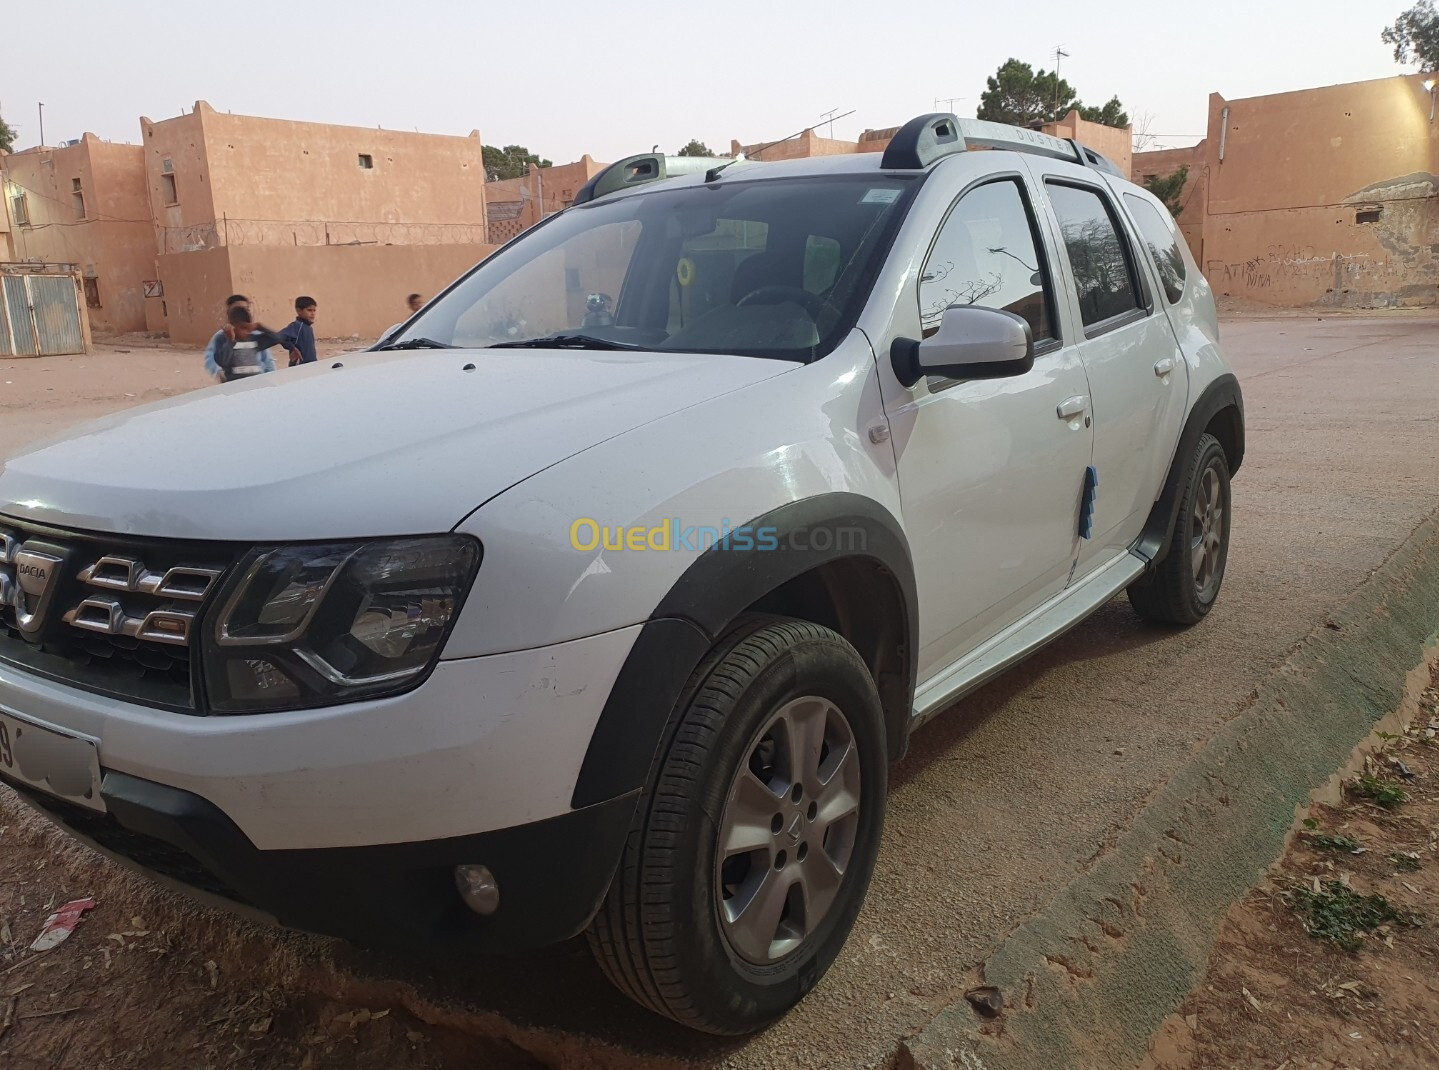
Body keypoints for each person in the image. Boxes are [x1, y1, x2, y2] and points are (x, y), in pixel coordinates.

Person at [203, 294, 277, 382]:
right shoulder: (221, 337)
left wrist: (271, 376)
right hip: (234, 383)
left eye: (246, 309)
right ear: (229, 314)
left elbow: (267, 359)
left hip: (257, 382)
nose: (242, 313)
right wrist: (217, 372)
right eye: (238, 309)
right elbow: (211, 358)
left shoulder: (256, 335)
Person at [279, 296, 318, 367]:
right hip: (299, 367)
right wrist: (292, 348)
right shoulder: (297, 326)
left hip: (311, 366)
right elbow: (279, 336)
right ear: (299, 311)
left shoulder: (308, 327)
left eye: (314, 310)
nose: (313, 313)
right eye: (309, 310)